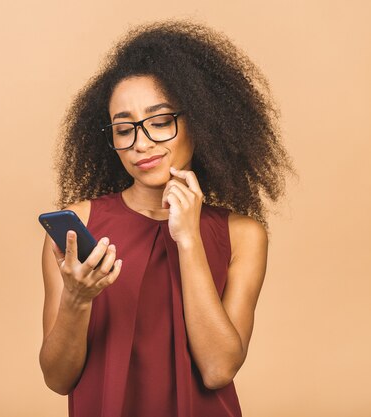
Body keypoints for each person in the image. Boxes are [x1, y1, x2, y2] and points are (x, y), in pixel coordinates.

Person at [38, 20, 297, 417]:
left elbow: (218, 369)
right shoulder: (80, 225)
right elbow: (57, 379)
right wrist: (76, 299)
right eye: (124, 130)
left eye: (160, 123)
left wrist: (189, 239)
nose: (141, 144)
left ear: (202, 121)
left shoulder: (243, 235)